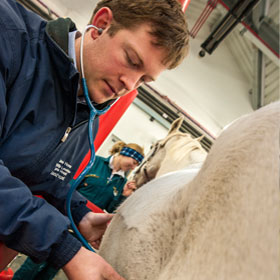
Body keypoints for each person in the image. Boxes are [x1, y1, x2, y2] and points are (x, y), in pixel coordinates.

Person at [0, 0, 189, 279]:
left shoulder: (87, 110)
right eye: (131, 60)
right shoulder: (9, 37)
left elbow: (40, 179)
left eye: (143, 80)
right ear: (102, 24)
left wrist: (80, 215)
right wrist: (64, 248)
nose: (129, 85)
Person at [13, 142, 142, 280]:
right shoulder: (94, 162)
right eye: (133, 162)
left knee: (52, 270)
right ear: (125, 153)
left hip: (84, 233)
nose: (134, 167)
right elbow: (66, 187)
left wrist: (124, 196)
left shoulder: (122, 183)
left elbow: (111, 210)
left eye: (136, 165)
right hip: (63, 220)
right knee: (34, 264)